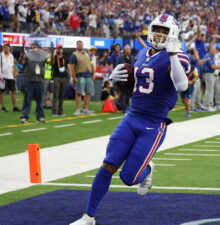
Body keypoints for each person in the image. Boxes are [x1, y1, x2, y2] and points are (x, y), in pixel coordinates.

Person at [70, 14, 189, 225]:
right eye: (157, 29)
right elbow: (135, 85)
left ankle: (148, 169)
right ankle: (88, 216)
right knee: (108, 164)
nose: (159, 34)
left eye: (164, 30)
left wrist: (171, 55)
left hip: (153, 124)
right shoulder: (143, 52)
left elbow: (181, 86)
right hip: (131, 116)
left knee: (128, 178)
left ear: (173, 34)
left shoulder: (178, 55)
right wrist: (113, 80)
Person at [20, 42, 50, 123]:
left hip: (40, 81)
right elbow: (21, 63)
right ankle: (25, 117)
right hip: (29, 81)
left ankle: (40, 117)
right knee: (27, 100)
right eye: (33, 47)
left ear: (39, 48)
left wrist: (52, 52)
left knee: (40, 101)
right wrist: (22, 54)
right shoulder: (27, 56)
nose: (35, 48)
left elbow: (50, 63)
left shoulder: (43, 57)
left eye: (36, 47)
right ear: (31, 48)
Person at [68, 40, 95, 115]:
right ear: (76, 46)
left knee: (89, 93)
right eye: (78, 44)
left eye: (81, 44)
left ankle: (85, 109)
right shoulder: (74, 55)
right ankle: (78, 109)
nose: (80, 45)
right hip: (80, 76)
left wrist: (93, 73)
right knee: (79, 93)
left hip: (88, 75)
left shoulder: (87, 54)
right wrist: (73, 77)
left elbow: (91, 64)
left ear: (83, 45)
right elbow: (72, 66)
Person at [0, 42, 20, 112]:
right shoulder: (0, 55)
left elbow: (13, 67)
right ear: (3, 47)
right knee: (1, 92)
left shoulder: (11, 56)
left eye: (8, 47)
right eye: (5, 46)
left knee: (13, 91)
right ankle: (2, 107)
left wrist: (14, 76)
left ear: (9, 48)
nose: (7, 48)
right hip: (3, 77)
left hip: (10, 76)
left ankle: (14, 106)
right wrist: (0, 76)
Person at [51, 44, 68, 116]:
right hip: (56, 77)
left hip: (63, 77)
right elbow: (51, 63)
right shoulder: (54, 57)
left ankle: (60, 111)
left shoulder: (65, 57)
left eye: (60, 48)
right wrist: (53, 54)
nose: (59, 50)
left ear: (62, 49)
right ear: (56, 50)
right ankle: (54, 111)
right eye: (58, 49)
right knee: (56, 95)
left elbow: (67, 66)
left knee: (61, 95)